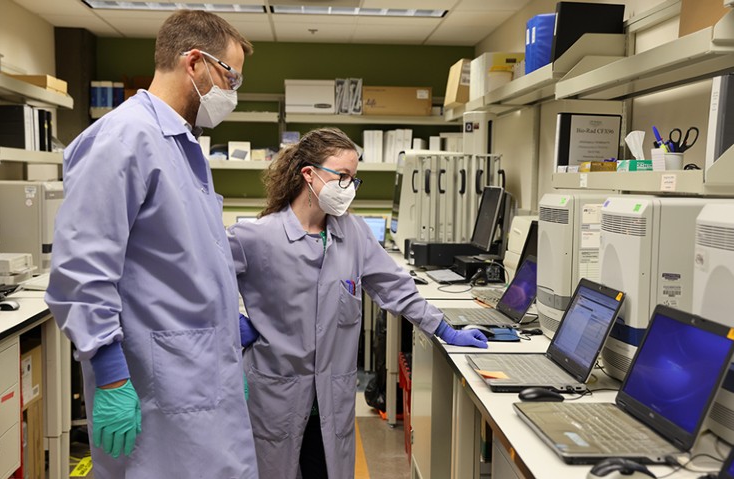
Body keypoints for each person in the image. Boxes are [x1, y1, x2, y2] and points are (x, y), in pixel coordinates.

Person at [45, 10, 258, 479]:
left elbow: (182, 257)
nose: (233, 92)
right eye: (231, 75)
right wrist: (110, 371)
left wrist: (227, 337)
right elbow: (82, 270)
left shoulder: (180, 143)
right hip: (156, 383)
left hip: (199, 371)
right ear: (195, 63)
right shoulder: (125, 138)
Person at [227, 127, 488, 479]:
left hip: (330, 401)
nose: (348, 187)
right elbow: (199, 282)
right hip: (277, 396)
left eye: (354, 178)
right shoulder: (257, 237)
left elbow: (395, 287)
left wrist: (443, 328)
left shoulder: (353, 233)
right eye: (343, 176)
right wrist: (229, 320)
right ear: (309, 174)